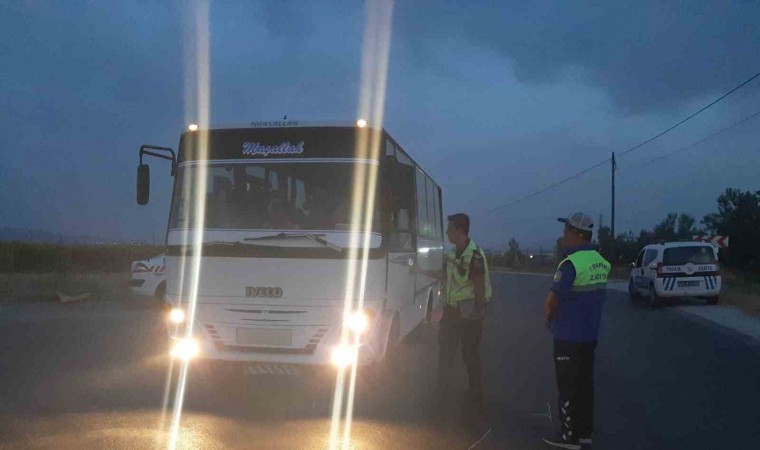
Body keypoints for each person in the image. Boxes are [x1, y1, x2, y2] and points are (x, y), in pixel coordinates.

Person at [542, 212, 611, 449]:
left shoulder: (571, 264)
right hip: (589, 336)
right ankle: (584, 433)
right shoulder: (601, 262)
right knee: (584, 385)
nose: (564, 234)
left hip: (567, 336)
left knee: (567, 387)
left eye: (567, 230)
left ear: (578, 234)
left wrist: (549, 320)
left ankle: (568, 436)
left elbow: (551, 301)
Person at [412, 213, 493, 405]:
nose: (447, 232)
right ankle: (442, 391)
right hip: (451, 312)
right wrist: (421, 271)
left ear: (459, 230)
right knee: (445, 352)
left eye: (449, 229)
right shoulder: (452, 254)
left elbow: (479, 285)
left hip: (468, 313)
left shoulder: (474, 255)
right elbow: (444, 275)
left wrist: (479, 312)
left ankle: (475, 393)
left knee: (469, 354)